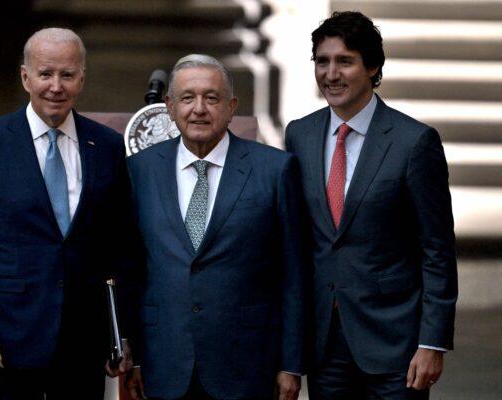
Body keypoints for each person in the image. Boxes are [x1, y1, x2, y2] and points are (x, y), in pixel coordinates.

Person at [0, 27, 137, 399]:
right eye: (46, 74)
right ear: (25, 76)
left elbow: (121, 249)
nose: (56, 86)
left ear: (82, 78)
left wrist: (120, 332)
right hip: (5, 343)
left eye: (67, 74)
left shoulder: (107, 146)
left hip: (83, 343)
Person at [285, 11, 458, 399]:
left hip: (395, 345)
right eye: (322, 61)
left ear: (373, 66)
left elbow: (437, 250)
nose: (331, 73)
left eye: (345, 61)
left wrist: (432, 343)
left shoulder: (415, 142)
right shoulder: (299, 134)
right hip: (324, 345)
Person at [125, 54, 309, 400]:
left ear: (231, 106)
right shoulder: (140, 170)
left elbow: (293, 273)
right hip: (164, 363)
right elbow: (133, 269)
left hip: (247, 365)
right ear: (169, 106)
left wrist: (291, 364)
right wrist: (132, 353)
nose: (199, 109)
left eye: (211, 98)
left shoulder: (274, 169)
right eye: (187, 98)